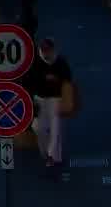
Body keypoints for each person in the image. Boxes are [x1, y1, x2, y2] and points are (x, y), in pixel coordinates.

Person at [22, 37, 74, 177]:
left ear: (53, 50)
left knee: (55, 127)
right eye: (43, 51)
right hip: (40, 98)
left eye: (48, 51)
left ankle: (53, 156)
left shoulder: (61, 63)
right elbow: (29, 81)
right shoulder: (36, 63)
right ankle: (46, 152)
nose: (46, 54)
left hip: (56, 98)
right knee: (38, 127)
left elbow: (68, 81)